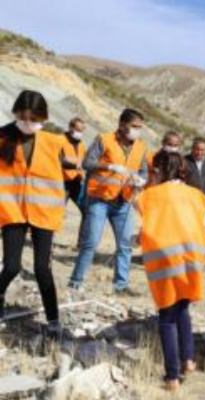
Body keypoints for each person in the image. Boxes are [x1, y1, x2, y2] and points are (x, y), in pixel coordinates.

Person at [134, 150, 205, 391]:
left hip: (163, 262)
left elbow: (136, 232)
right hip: (192, 260)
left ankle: (172, 376)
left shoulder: (148, 197)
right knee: (183, 308)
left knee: (166, 316)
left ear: (157, 171)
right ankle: (188, 360)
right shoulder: (196, 196)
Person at [0, 90, 65, 335]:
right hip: (12, 210)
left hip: (43, 212)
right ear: (16, 113)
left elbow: (71, 170)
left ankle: (53, 321)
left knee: (42, 270)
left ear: (44, 117)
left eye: (34, 119)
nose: (29, 124)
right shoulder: (2, 137)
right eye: (24, 117)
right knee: (11, 267)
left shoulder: (54, 142)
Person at [68, 108, 148, 295]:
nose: (138, 130)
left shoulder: (141, 146)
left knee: (125, 245)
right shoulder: (104, 139)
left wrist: (140, 180)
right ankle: (75, 282)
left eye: (140, 127)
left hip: (124, 202)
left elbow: (143, 170)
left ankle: (120, 285)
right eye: (134, 126)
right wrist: (109, 166)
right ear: (122, 124)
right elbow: (87, 163)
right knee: (91, 242)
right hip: (99, 199)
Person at [60, 117, 87, 212]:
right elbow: (58, 160)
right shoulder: (60, 140)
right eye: (78, 130)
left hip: (77, 182)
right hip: (62, 182)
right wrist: (75, 166)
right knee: (57, 211)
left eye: (82, 131)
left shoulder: (81, 145)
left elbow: (84, 161)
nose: (80, 133)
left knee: (87, 210)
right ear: (70, 127)